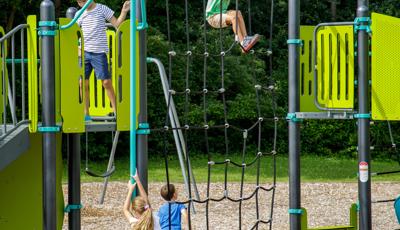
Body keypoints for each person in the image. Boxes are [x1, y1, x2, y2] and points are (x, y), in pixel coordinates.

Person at [76, 0, 130, 120]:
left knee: (106, 82)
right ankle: (86, 113)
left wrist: (124, 11)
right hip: (84, 52)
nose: (82, 4)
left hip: (99, 53)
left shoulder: (102, 9)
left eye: (83, 1)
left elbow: (117, 25)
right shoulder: (79, 14)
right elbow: (71, 33)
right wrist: (77, 48)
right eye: (79, 2)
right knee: (82, 83)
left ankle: (117, 111)